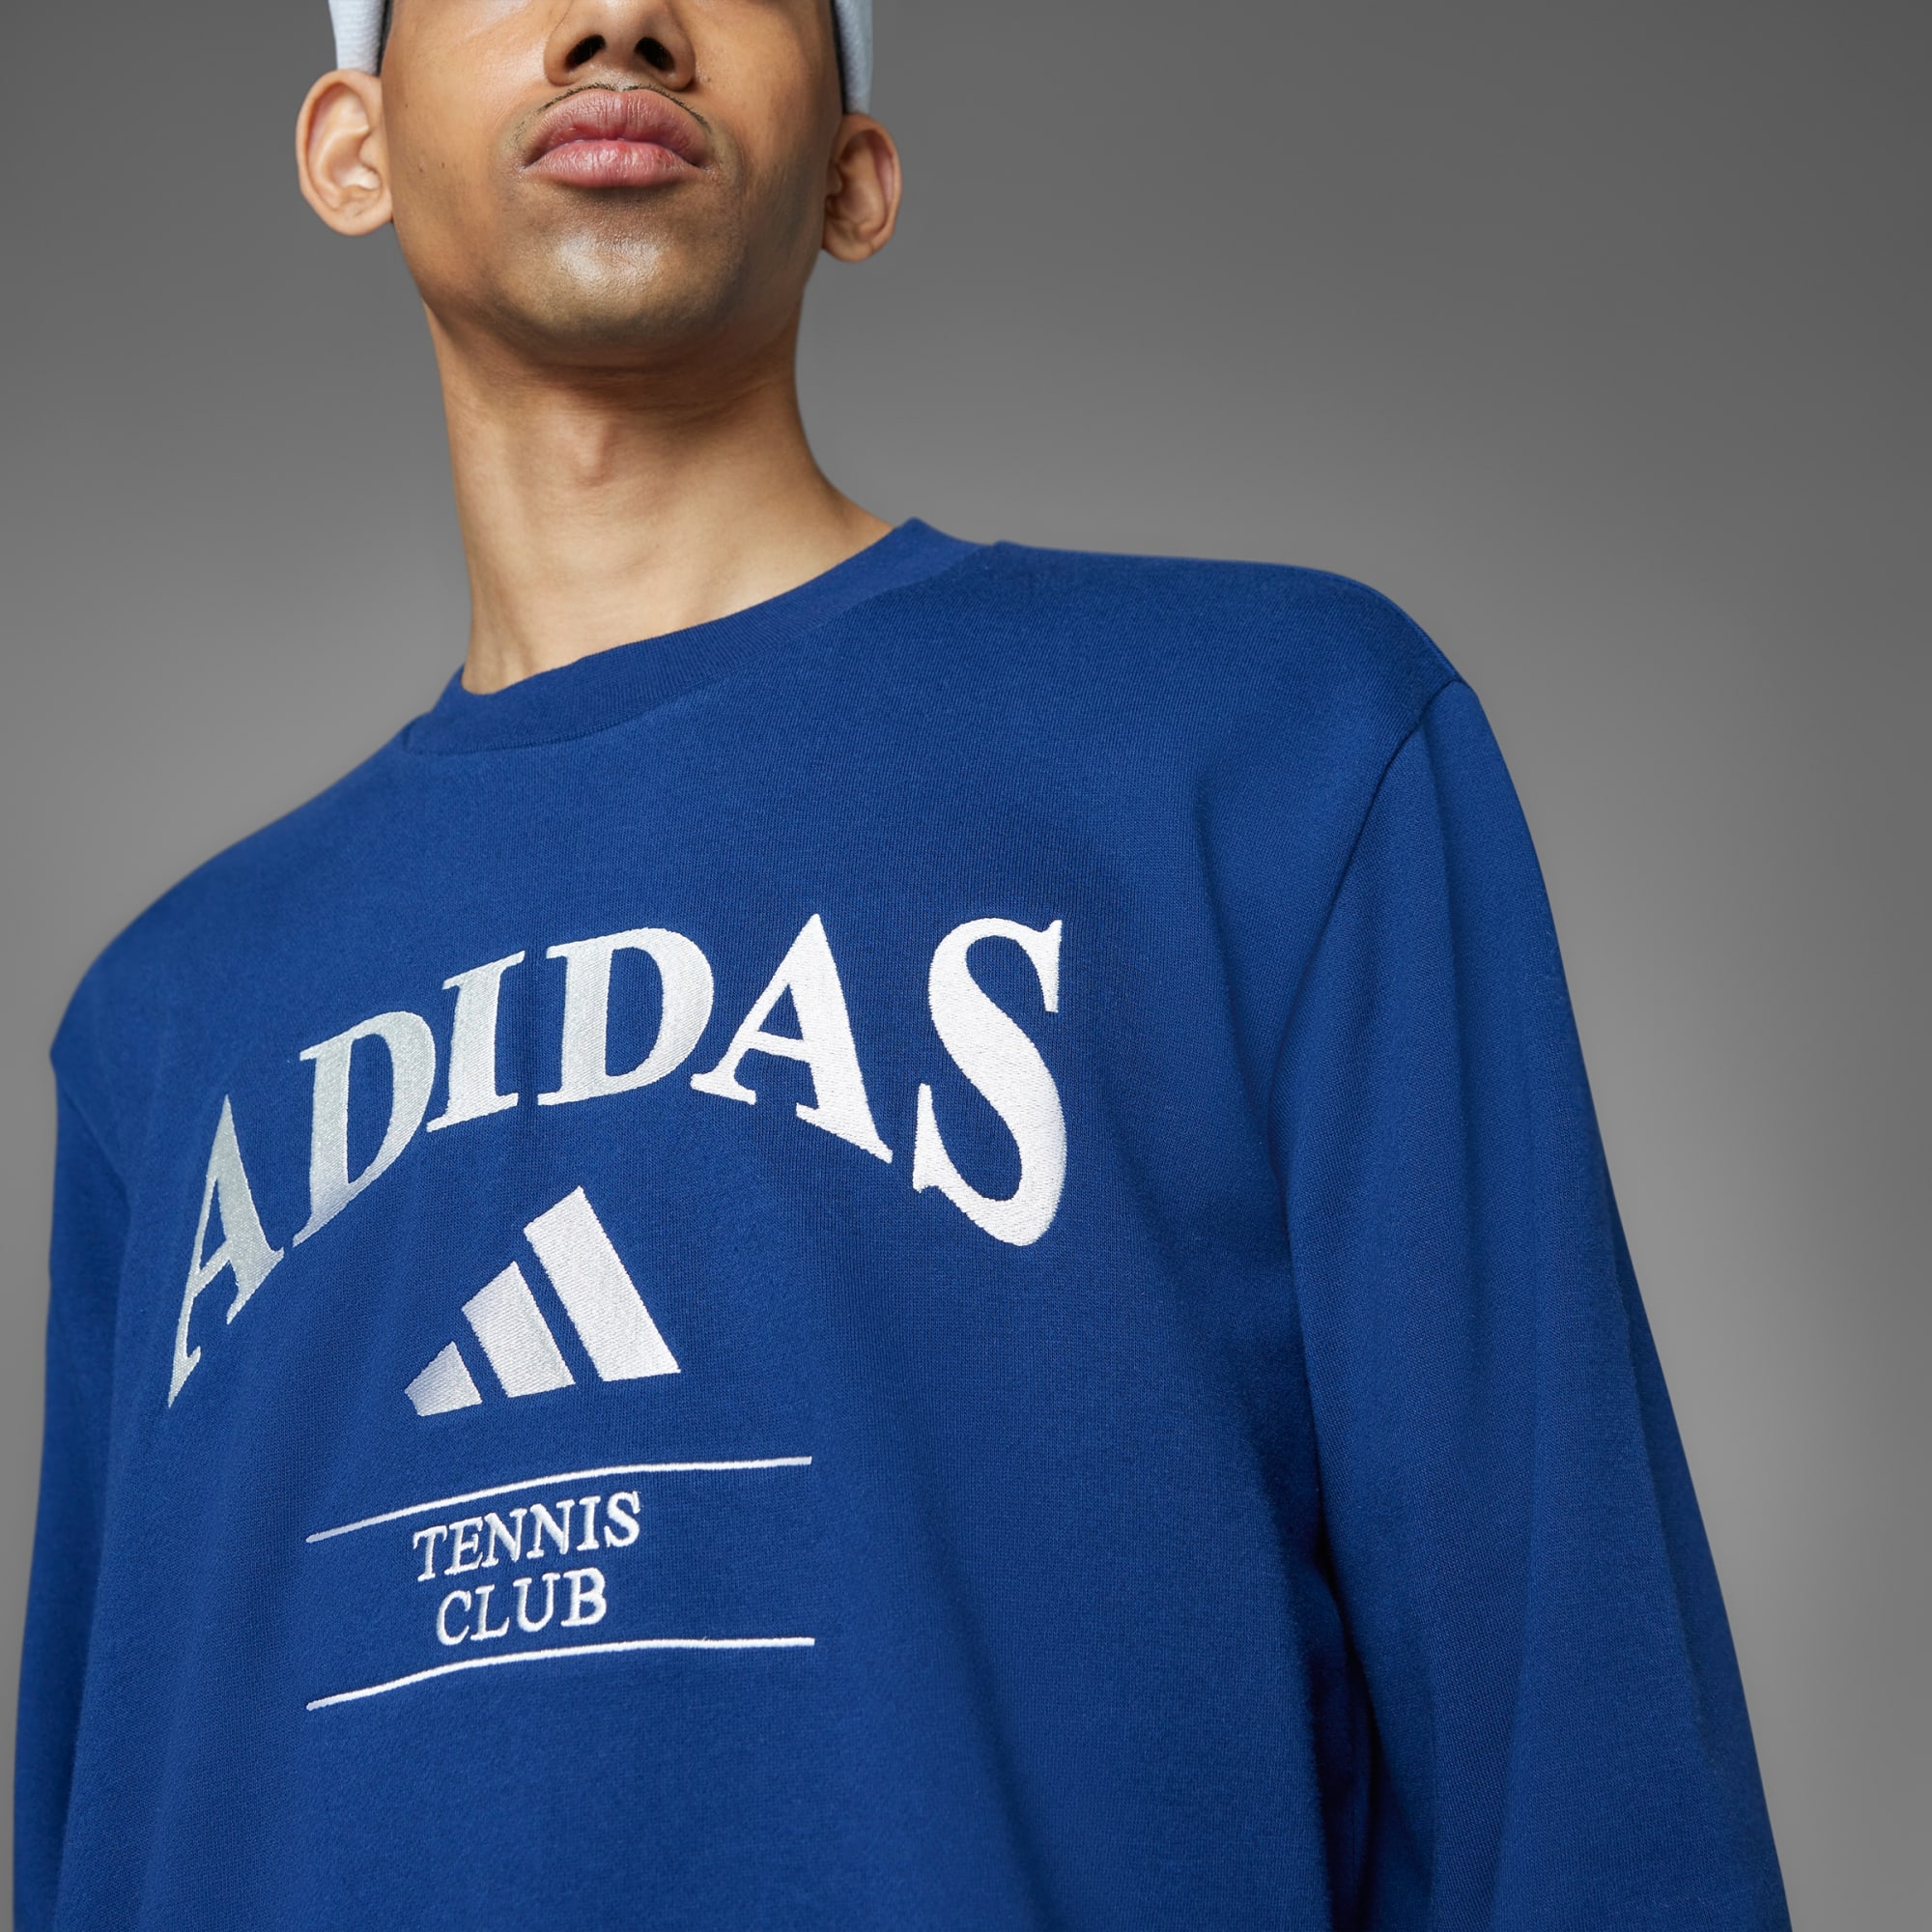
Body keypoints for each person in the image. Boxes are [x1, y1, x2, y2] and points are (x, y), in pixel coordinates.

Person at [14, 1, 1792, 1926]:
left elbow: (1577, 1743)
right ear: (350, 147)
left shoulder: (1269, 748)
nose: (624, 21)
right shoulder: (164, 1023)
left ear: (854, 178)